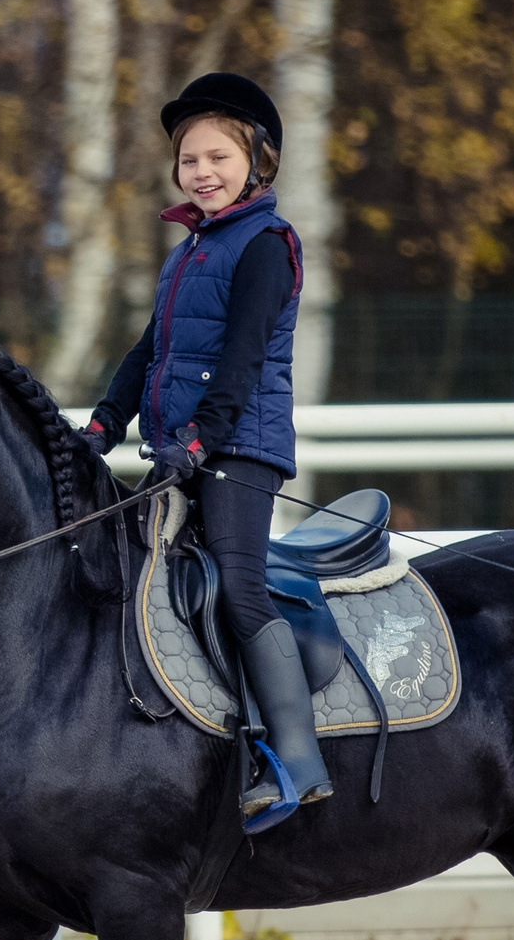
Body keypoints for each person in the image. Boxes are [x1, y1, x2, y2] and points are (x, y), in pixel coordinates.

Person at [81, 71, 332, 823]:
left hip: (238, 449)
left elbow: (243, 359)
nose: (202, 171)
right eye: (189, 160)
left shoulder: (266, 246)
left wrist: (201, 438)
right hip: (183, 451)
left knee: (238, 584)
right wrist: (103, 423)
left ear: (258, 161)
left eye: (218, 157)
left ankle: (296, 758)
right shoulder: (187, 252)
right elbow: (149, 352)